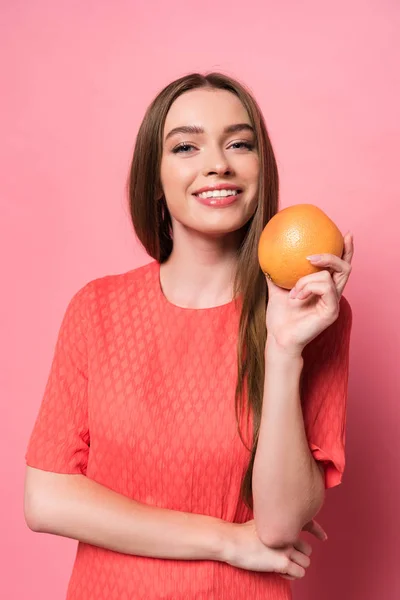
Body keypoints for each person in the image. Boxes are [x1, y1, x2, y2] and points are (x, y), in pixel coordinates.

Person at [24, 72, 354, 600]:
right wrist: (226, 541)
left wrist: (285, 348)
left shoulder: (311, 315)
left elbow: (278, 525)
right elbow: (47, 500)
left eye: (239, 143)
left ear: (260, 168)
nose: (218, 163)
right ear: (154, 179)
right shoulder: (96, 309)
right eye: (186, 145)